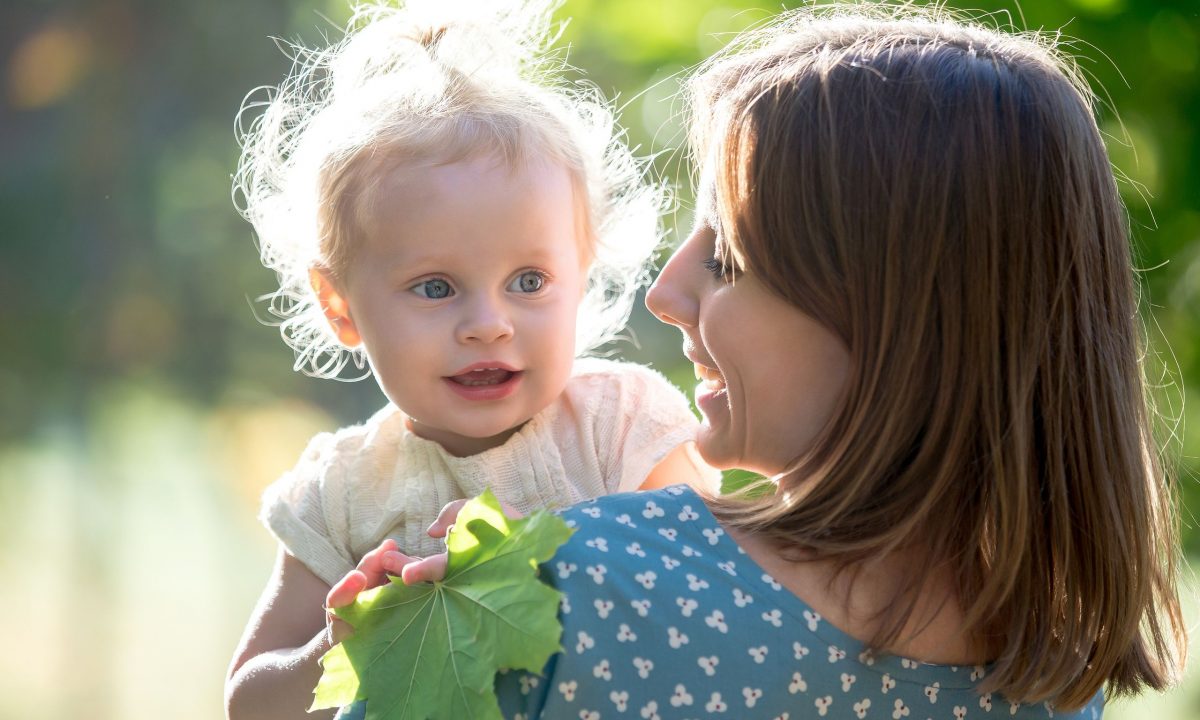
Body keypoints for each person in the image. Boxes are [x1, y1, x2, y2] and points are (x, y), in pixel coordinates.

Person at [336, 3, 1188, 719]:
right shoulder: (1053, 676)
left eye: (731, 258)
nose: (665, 292)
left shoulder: (552, 588)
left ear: (895, 319)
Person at [222, 2, 717, 718]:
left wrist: (560, 562)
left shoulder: (621, 429)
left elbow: (712, 612)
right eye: (435, 287)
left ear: (582, 273)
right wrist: (342, 644)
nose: (488, 325)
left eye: (528, 282)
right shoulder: (343, 492)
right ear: (340, 305)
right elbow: (247, 703)